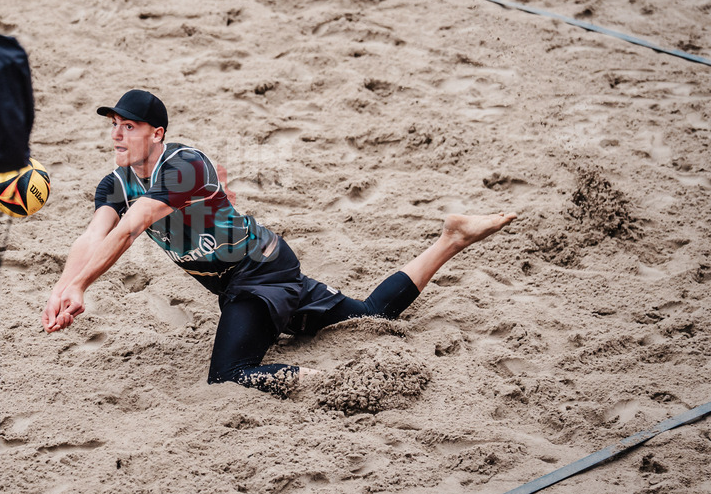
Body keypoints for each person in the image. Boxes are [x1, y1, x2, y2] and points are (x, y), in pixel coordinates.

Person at [42, 90, 516, 396]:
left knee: (230, 375)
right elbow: (94, 233)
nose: (117, 134)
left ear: (157, 133)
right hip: (264, 268)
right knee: (373, 317)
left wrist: (82, 286)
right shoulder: (115, 183)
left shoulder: (183, 166)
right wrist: (65, 287)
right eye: (113, 125)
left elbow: (129, 230)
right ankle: (452, 239)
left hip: (256, 277)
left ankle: (334, 380)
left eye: (129, 126)